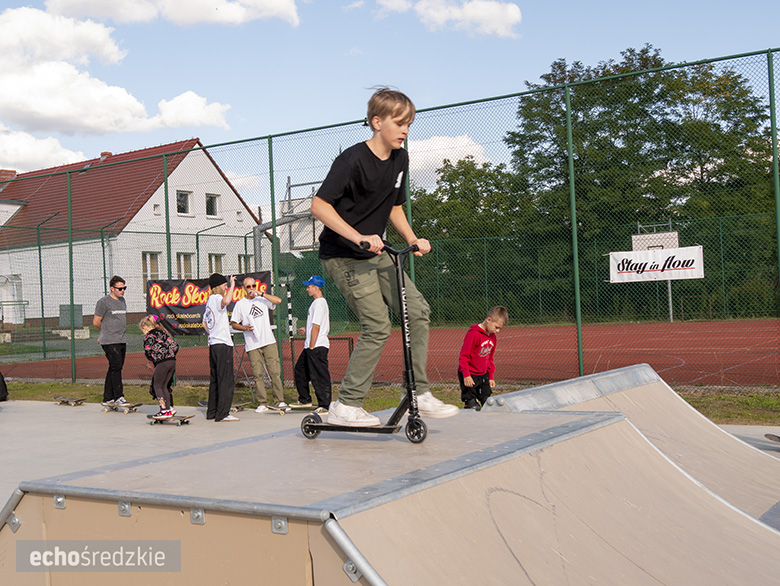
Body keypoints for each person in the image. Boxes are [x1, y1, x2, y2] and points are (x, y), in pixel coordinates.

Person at [311, 87, 458, 426]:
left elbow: (393, 206)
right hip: (343, 255)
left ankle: (418, 391)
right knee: (378, 325)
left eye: (410, 123)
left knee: (418, 310)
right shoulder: (351, 159)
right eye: (399, 123)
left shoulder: (400, 159)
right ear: (377, 122)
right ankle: (346, 405)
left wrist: (412, 237)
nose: (405, 130)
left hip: (377, 253)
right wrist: (358, 236)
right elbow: (319, 205)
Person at [229, 276, 287, 413]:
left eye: (253, 286)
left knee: (275, 372)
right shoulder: (240, 304)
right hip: (253, 344)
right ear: (243, 288)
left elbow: (278, 301)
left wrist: (261, 293)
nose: (251, 289)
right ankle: (263, 402)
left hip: (268, 341)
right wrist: (245, 328)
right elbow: (234, 323)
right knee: (257, 374)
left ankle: (279, 400)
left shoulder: (262, 299)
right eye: (248, 287)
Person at [291, 275, 331, 413]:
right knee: (300, 370)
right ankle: (304, 399)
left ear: (316, 288)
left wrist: (312, 346)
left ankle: (325, 404)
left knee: (319, 375)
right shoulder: (315, 303)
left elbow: (317, 327)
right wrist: (306, 331)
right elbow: (313, 327)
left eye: (309, 286)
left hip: (317, 346)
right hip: (310, 345)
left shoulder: (319, 303)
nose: (307, 288)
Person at [202, 273, 238, 422]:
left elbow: (204, 323)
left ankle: (212, 411)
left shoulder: (209, 301)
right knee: (225, 379)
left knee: (215, 379)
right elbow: (227, 300)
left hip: (214, 343)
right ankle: (223, 413)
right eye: (224, 285)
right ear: (217, 286)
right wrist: (233, 285)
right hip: (222, 344)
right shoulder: (216, 298)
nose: (226, 287)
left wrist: (213, 333)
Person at [457, 306, 508, 410]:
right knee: (473, 405)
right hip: (469, 374)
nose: (497, 331)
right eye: (496, 327)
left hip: (483, 374)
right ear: (489, 320)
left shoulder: (492, 337)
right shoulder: (473, 334)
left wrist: (491, 376)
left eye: (500, 329)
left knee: (488, 403)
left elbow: (490, 358)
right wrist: (466, 375)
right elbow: (464, 356)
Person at [93, 275, 128, 407]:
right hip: (109, 340)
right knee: (116, 366)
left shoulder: (122, 301)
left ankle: (107, 398)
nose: (122, 291)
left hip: (121, 339)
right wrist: (104, 333)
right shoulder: (104, 302)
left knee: (114, 367)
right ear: (112, 288)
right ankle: (118, 396)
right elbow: (96, 322)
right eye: (120, 289)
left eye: (124, 288)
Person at [140, 315, 179, 419]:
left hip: (162, 363)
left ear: (146, 327)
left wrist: (152, 360)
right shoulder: (163, 333)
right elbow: (175, 346)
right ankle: (169, 408)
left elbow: (148, 351)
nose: (143, 332)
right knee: (165, 386)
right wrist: (170, 354)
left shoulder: (149, 336)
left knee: (157, 386)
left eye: (143, 330)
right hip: (172, 361)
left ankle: (164, 410)